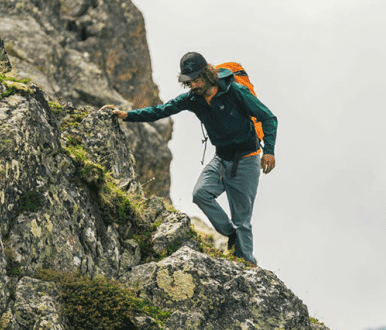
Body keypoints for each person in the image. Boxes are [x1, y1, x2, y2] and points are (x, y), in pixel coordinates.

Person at [104, 52, 277, 266]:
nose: (194, 85)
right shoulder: (193, 99)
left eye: (197, 79)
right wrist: (126, 115)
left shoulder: (235, 92)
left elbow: (268, 117)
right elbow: (161, 111)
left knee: (242, 221)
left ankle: (248, 268)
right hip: (221, 159)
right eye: (190, 81)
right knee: (201, 194)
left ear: (208, 74)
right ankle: (231, 234)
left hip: (247, 160)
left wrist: (269, 150)